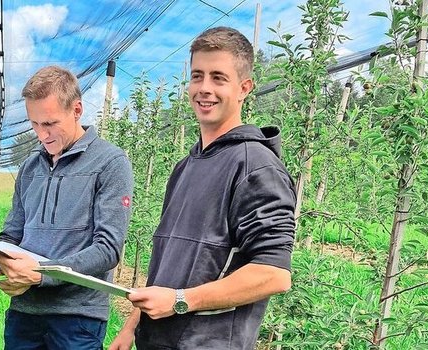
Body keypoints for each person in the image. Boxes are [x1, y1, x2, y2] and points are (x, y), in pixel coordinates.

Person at [109, 27, 296, 350]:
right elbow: (166, 266)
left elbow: (273, 274)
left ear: (244, 88)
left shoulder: (255, 166)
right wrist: (131, 327)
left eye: (218, 78)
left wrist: (180, 301)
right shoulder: (186, 166)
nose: (204, 88)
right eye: (197, 76)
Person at [0, 65, 134, 350]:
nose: (42, 135)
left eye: (50, 123)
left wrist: (42, 273)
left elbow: (108, 249)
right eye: (34, 124)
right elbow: (11, 234)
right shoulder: (31, 166)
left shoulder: (110, 163)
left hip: (77, 318)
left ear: (77, 110)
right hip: (24, 313)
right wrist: (2, 268)